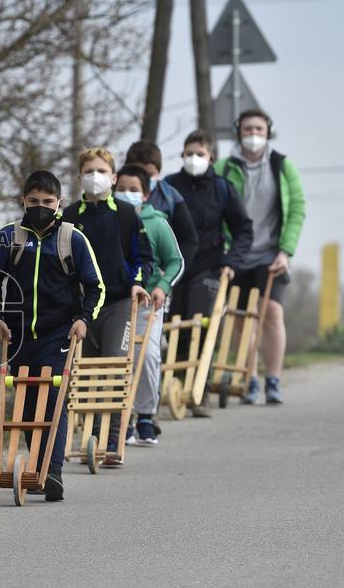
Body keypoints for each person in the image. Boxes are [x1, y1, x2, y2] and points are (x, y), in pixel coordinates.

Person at [0, 170, 105, 501]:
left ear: (60, 203)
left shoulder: (72, 239)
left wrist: (83, 319)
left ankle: (53, 472)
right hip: (18, 336)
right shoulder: (9, 237)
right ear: (23, 201)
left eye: (47, 202)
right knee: (25, 403)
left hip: (59, 334)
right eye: (33, 201)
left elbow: (95, 286)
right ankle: (35, 467)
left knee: (53, 400)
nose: (40, 207)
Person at [62, 147, 153, 464]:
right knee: (82, 373)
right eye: (89, 171)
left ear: (113, 177)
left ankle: (112, 441)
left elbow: (142, 259)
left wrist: (138, 282)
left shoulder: (127, 215)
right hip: (82, 307)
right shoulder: (70, 217)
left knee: (114, 369)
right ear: (79, 177)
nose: (95, 177)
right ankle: (85, 438)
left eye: (102, 171)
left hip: (117, 303)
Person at [215, 108, 306, 404]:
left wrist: (285, 251)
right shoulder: (225, 168)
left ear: (268, 132)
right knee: (241, 319)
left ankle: (274, 380)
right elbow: (213, 209)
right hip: (237, 254)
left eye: (259, 129)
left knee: (272, 312)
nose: (253, 135)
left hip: (271, 254)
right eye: (247, 129)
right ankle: (249, 378)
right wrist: (224, 249)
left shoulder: (282, 166)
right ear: (239, 132)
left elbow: (297, 210)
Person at [164, 129, 253, 417]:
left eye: (199, 154)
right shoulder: (169, 186)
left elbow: (243, 229)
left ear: (211, 157)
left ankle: (199, 391)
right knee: (175, 325)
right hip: (176, 267)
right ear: (181, 155)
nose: (193, 159)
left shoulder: (223, 188)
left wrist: (231, 260)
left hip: (210, 267)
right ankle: (175, 385)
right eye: (188, 154)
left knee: (201, 325)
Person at [114, 165, 184, 446]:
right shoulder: (111, 221)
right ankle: (121, 417)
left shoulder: (157, 222)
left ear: (145, 195)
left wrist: (162, 287)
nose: (127, 195)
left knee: (148, 356)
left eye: (134, 190)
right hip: (116, 303)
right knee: (118, 359)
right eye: (122, 189)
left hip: (148, 305)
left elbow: (175, 261)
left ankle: (145, 415)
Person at [125, 140, 199, 271]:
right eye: (139, 173)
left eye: (149, 174)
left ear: (159, 172)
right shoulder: (115, 196)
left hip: (158, 280)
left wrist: (169, 274)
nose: (144, 180)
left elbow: (189, 240)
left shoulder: (170, 197)